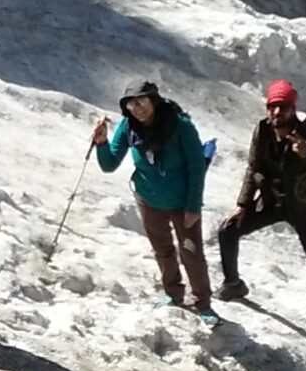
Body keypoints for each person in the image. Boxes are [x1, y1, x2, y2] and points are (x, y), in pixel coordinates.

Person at [214, 79, 306, 330]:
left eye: (282, 106)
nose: (276, 112)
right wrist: (242, 204)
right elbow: (253, 168)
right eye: (272, 106)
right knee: (227, 230)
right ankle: (233, 284)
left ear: (292, 108)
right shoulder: (262, 130)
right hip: (273, 201)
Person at [92, 80, 215, 324]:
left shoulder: (180, 126)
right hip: (149, 199)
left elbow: (196, 167)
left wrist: (193, 206)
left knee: (191, 252)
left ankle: (203, 304)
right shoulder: (128, 126)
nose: (136, 108)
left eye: (141, 101)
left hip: (181, 201)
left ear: (154, 101)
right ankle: (173, 292)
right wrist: (102, 142)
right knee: (163, 249)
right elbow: (109, 164)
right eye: (131, 104)